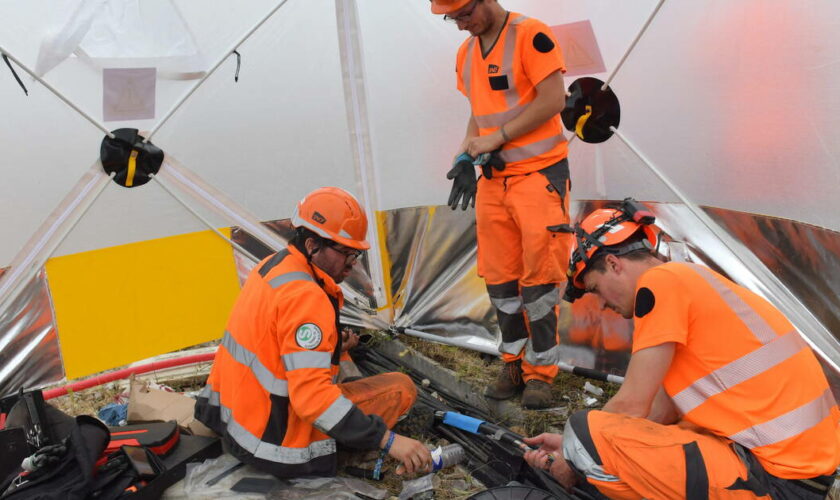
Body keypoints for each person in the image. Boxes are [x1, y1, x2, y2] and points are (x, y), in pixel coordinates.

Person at [522, 199, 840, 499]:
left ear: (613, 263)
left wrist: (574, 454)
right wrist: (570, 448)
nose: (603, 304)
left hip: (777, 478)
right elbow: (659, 413)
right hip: (801, 473)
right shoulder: (691, 280)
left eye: (595, 289)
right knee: (607, 437)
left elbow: (630, 406)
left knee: (585, 429)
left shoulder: (660, 283)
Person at [195, 187, 432, 478]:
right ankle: (347, 451)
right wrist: (389, 441)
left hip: (232, 419)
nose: (353, 261)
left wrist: (335, 344)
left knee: (342, 360)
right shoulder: (307, 298)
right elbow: (312, 398)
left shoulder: (273, 266)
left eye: (355, 252)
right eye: (346, 251)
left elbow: (275, 341)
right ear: (312, 245)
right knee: (401, 388)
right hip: (274, 443)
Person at [430, 0, 571, 409]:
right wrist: (463, 156)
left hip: (539, 176)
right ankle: (512, 361)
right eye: (452, 18)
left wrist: (499, 137)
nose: (460, 25)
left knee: (541, 278)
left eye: (463, 14)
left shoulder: (532, 35)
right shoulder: (467, 52)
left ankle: (541, 372)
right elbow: (480, 113)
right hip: (494, 178)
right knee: (500, 279)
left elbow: (553, 100)